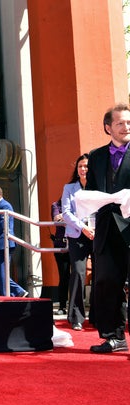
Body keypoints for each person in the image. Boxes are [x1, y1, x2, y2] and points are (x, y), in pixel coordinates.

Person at [85, 103, 130, 353]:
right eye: (120, 123)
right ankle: (114, 336)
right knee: (107, 283)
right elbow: (91, 190)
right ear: (108, 127)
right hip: (106, 227)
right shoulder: (96, 156)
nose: (126, 127)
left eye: (129, 122)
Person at [61, 154, 94, 331]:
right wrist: (83, 228)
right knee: (79, 274)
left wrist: (94, 229)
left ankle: (97, 315)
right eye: (81, 166)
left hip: (98, 234)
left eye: (87, 166)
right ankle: (76, 317)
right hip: (77, 234)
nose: (83, 169)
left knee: (102, 274)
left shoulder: (98, 186)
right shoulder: (69, 188)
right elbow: (65, 212)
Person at [0, 186, 28, 297]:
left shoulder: (4, 205)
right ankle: (16, 292)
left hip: (3, 243)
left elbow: (1, 225)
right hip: (1, 244)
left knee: (1, 272)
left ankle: (11, 294)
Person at [50, 199, 70, 315]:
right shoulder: (56, 204)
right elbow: (56, 218)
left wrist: (66, 217)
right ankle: (62, 306)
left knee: (77, 276)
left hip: (75, 243)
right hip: (61, 244)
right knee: (64, 276)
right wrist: (70, 216)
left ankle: (74, 306)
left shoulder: (75, 203)